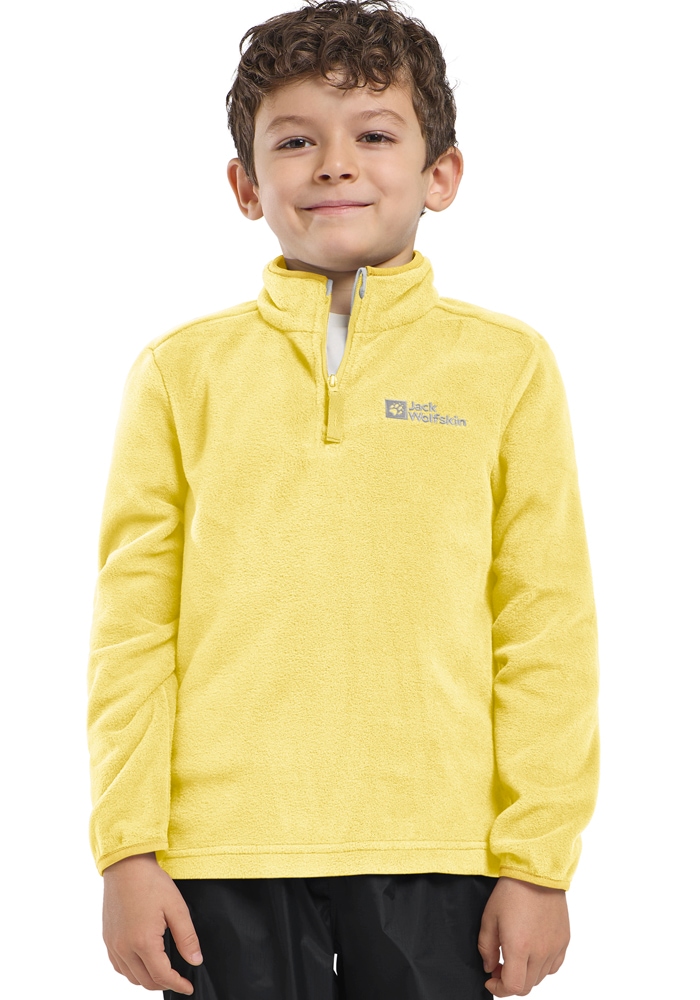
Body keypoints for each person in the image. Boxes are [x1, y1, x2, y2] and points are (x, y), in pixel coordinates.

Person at [86, 2, 600, 997]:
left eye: (373, 135)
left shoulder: (507, 366)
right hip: (220, 851)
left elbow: (545, 623)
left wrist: (538, 859)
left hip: (438, 845)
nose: (333, 165)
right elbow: (132, 628)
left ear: (440, 174)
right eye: (294, 141)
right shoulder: (179, 373)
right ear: (246, 185)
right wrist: (127, 849)